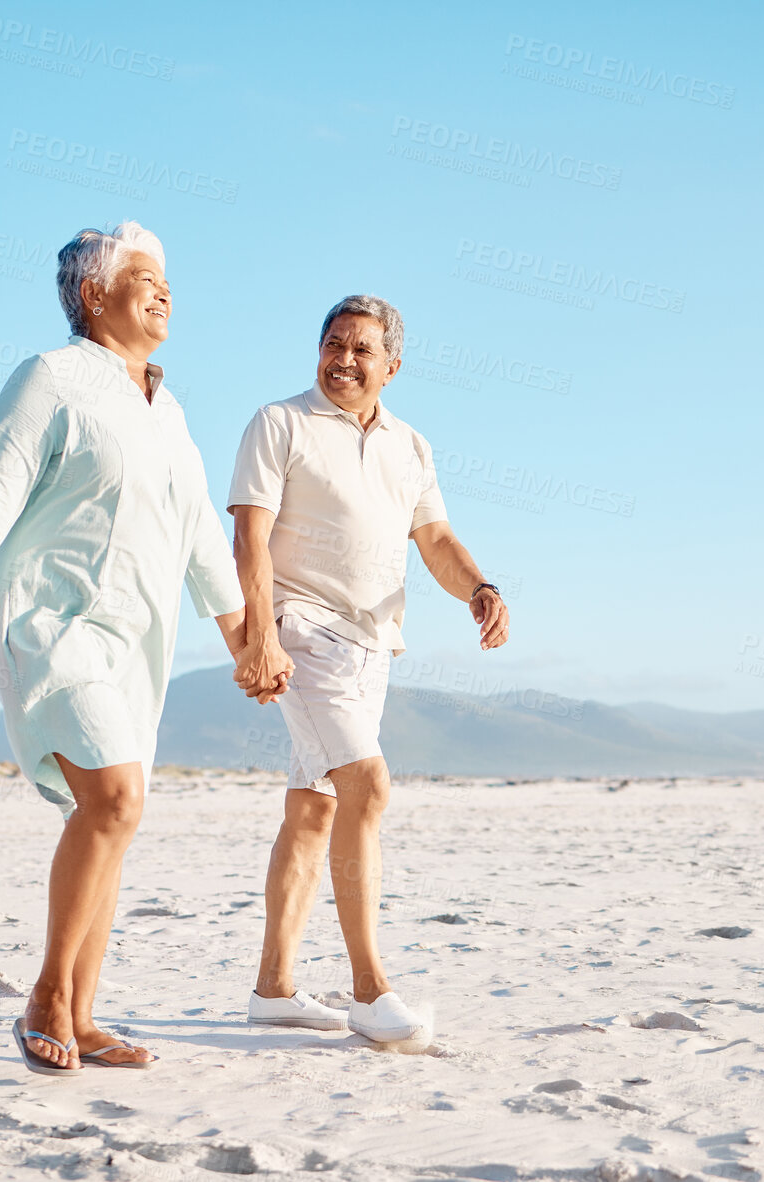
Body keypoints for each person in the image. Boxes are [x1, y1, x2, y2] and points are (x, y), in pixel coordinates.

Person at [0, 221, 255, 1075]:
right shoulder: (51, 378)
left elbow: (201, 537)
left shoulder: (168, 409)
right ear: (95, 296)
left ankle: (85, 1011)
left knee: (106, 813)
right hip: (47, 624)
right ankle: (46, 999)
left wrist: (246, 638)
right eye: (144, 275)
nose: (164, 289)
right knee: (115, 802)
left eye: (168, 277)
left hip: (138, 641)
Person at [226, 295, 509, 1043]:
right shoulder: (279, 423)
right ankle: (369, 991)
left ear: (393, 366)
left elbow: (436, 537)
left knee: (314, 806)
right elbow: (249, 541)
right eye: (332, 344)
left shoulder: (411, 446)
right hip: (301, 630)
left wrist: (479, 587)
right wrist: (260, 637)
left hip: (372, 644)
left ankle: (274, 990)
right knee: (369, 786)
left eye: (360, 350)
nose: (343, 360)